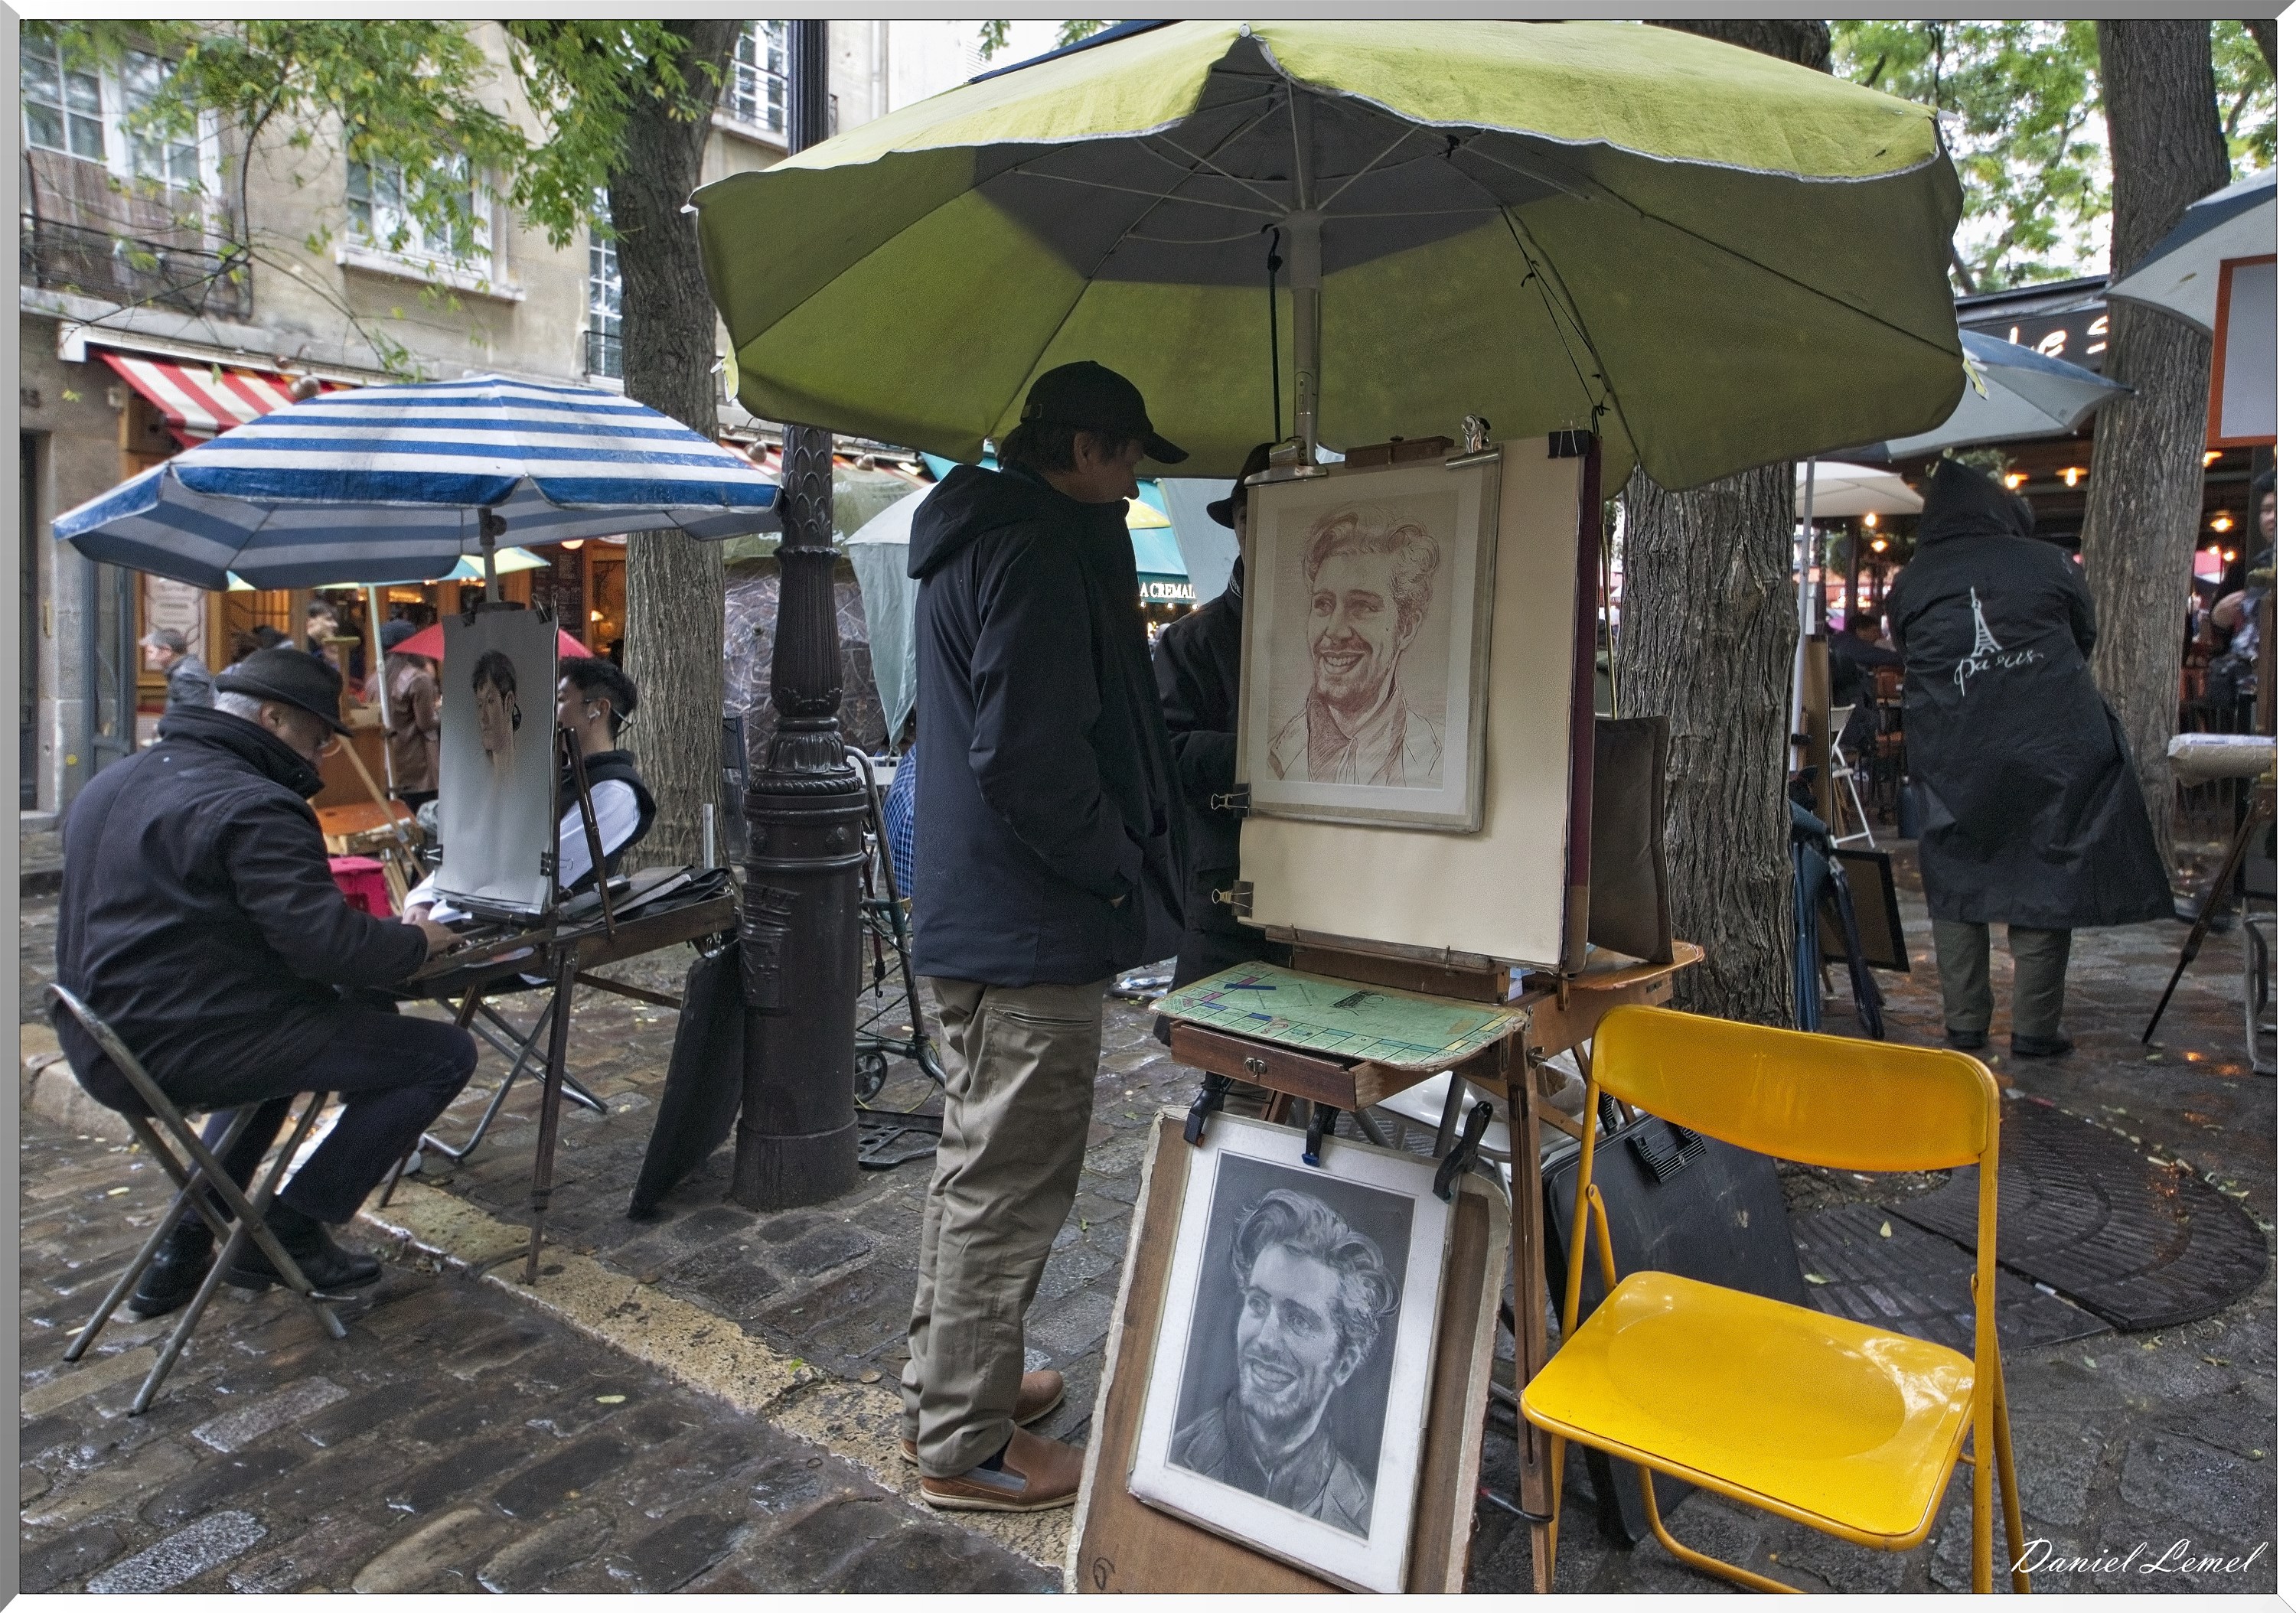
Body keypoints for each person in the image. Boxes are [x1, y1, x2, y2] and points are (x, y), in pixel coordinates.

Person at [900, 360, 1187, 1512]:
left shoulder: (983, 534)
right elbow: (1028, 756)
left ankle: (950, 1387)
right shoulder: (1036, 549)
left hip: (979, 911)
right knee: (1008, 1185)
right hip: (1029, 923)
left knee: (974, 1167)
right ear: (1079, 450)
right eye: (1127, 456)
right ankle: (965, 1444)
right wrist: (1118, 868)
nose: (1134, 480)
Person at [53, 647, 472, 1315]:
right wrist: (417, 940)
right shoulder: (254, 804)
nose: (320, 758)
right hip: (177, 1045)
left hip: (99, 1038)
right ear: (273, 719)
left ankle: (184, 1245)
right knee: (443, 1054)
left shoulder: (118, 778)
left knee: (289, 1045)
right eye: (317, 738)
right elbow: (328, 947)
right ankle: (291, 1230)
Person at [1883, 459, 2172, 1058]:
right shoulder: (2049, 563)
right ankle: (2036, 1029)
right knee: (2044, 867)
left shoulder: (1911, 581)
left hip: (1955, 746)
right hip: (2051, 741)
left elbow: (1909, 651)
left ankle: (1965, 1024)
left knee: (1957, 875)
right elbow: (2082, 636)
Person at [1169, 1188, 1398, 1537]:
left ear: (1344, 1364)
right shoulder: (1167, 1456)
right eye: (1258, 1304)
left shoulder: (1371, 1524)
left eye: (1299, 1320)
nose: (1265, 1340)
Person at [1153, 442, 1286, 994]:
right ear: (1236, 524)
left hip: (1333, 895)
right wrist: (1267, 752)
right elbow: (1165, 753)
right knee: (1218, 1044)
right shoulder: (1191, 641)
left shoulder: (1340, 628)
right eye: (1251, 515)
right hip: (1226, 896)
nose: (1266, 529)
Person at [404, 656, 654, 916]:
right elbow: (480, 844)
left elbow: (539, 876)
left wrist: (440, 915)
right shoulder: (549, 776)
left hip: (514, 926)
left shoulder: (616, 792)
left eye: (560, 700)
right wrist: (423, 899)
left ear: (598, 709)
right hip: (468, 913)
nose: (549, 710)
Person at [1267, 506, 1444, 787]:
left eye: (1362, 606)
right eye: (1323, 604)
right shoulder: (1269, 761)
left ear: (1407, 627)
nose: (1335, 631)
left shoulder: (1442, 762)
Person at [380, 619, 441, 809]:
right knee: (423, 816)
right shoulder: (418, 678)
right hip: (419, 764)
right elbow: (426, 723)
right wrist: (442, 710)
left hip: (389, 762)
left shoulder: (377, 678)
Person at [141, 627, 214, 713]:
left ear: (167, 651)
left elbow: (193, 714)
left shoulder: (186, 675)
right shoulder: (187, 670)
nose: (150, 659)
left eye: (151, 652)